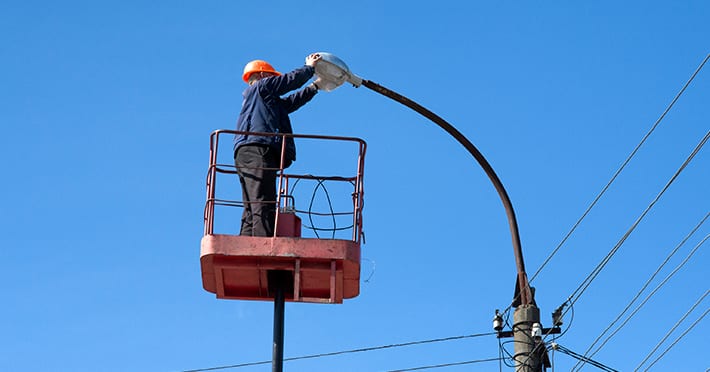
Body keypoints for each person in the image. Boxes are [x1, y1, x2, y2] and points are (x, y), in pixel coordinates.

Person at [233, 54, 322, 237]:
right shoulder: (262, 87)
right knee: (263, 202)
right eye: (272, 77)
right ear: (263, 75)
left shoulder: (263, 100)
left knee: (252, 205)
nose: (275, 80)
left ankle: (247, 242)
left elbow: (290, 103)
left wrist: (315, 87)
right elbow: (290, 82)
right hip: (258, 149)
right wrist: (309, 67)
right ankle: (263, 244)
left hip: (249, 151)